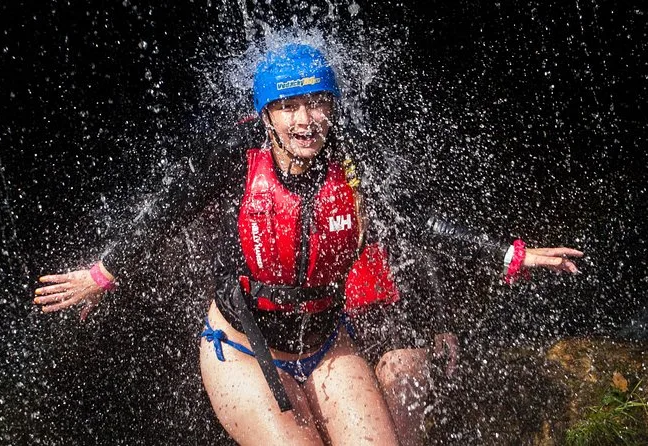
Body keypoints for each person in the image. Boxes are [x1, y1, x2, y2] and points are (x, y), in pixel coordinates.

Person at [34, 43, 583, 445]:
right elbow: (165, 212)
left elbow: (420, 220)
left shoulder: (352, 163)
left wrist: (511, 253)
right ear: (266, 114)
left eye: (317, 103)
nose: (305, 120)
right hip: (243, 350)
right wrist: (100, 275)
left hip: (326, 346)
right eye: (289, 106)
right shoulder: (236, 158)